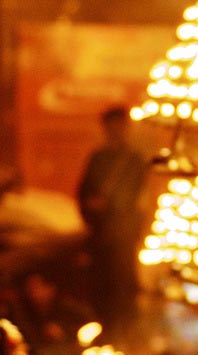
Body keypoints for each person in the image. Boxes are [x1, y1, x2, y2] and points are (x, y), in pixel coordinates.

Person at [76, 106, 148, 349]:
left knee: (122, 295)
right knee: (100, 293)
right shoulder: (98, 159)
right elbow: (83, 194)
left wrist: (109, 207)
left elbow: (132, 197)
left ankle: (123, 343)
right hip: (101, 239)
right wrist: (92, 208)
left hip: (122, 240)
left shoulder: (135, 161)